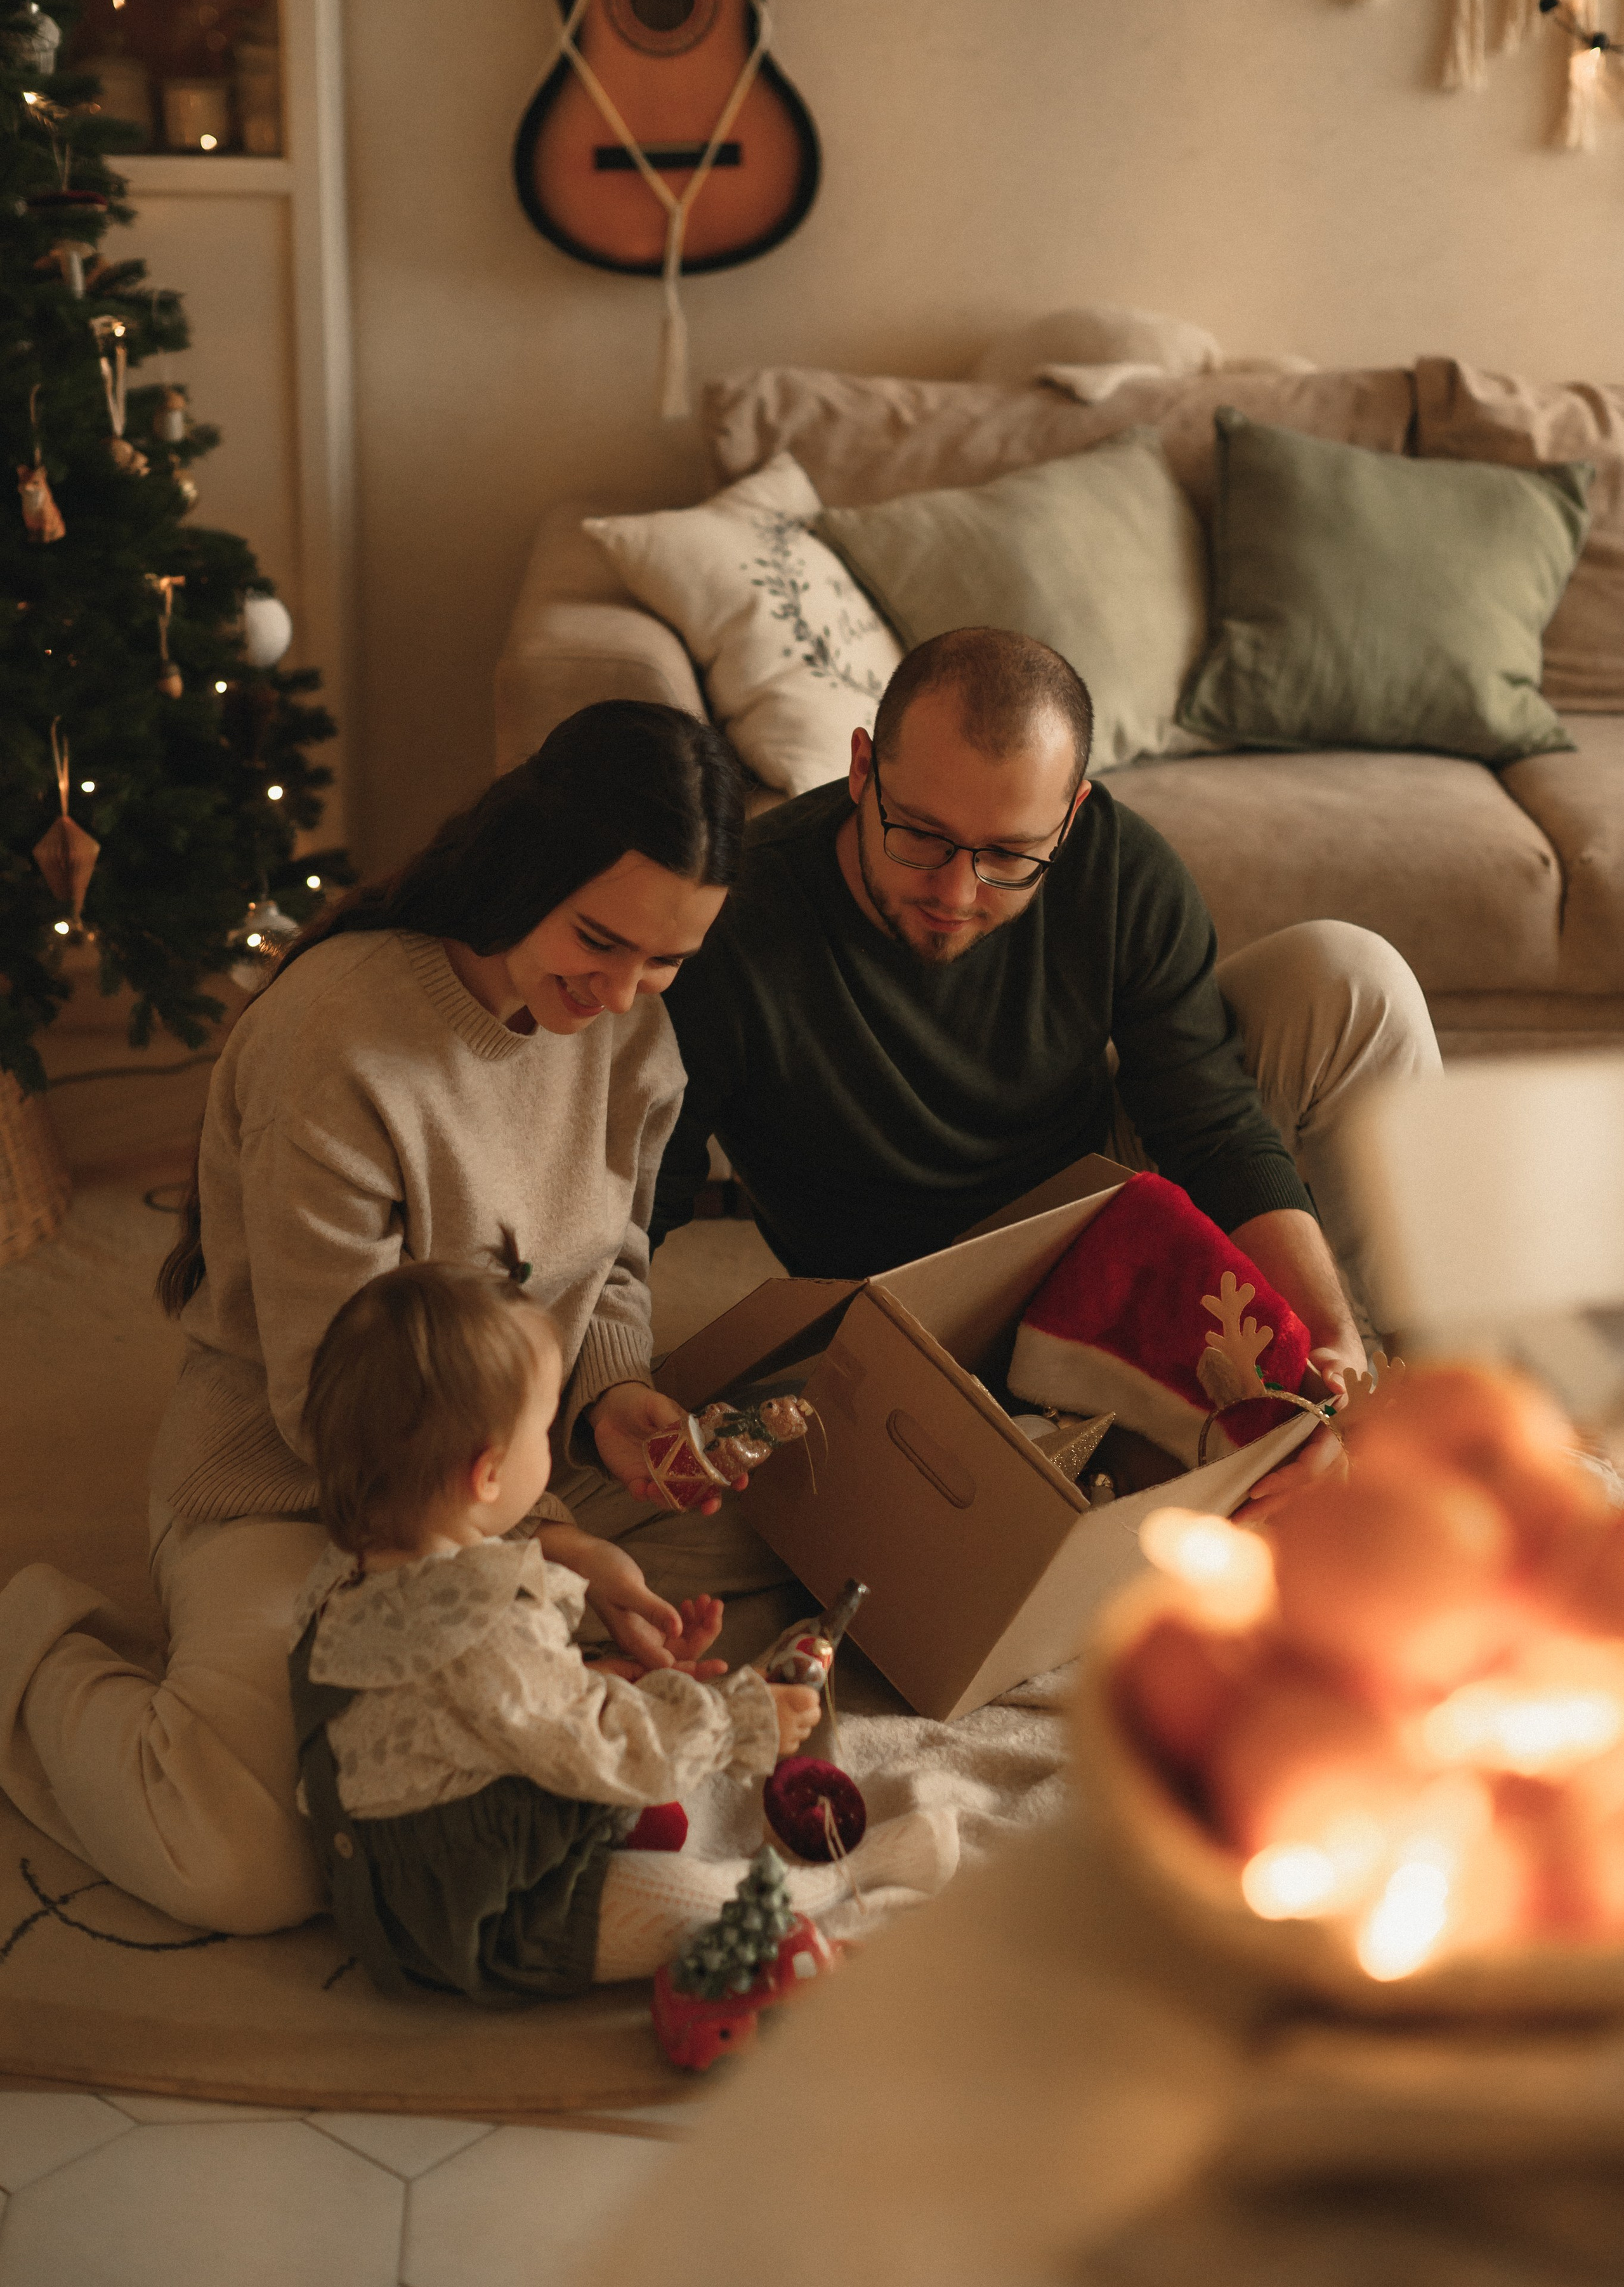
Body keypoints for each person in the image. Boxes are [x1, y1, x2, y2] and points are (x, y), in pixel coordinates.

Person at [0, 702, 763, 1935]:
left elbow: (612, 1260)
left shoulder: (634, 1041)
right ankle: (23, 1651)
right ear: (529, 870)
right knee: (250, 1864)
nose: (623, 993)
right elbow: (344, 1409)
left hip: (498, 1471)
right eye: (599, 940)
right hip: (315, 1476)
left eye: (667, 960)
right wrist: (553, 1549)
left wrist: (617, 1393)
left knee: (747, 1576)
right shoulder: (341, 1037)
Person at [652, 629, 1443, 1410]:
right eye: (922, 836)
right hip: (916, 1300)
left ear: (1069, 818)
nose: (957, 894)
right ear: (863, 769)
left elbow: (1212, 1126)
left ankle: (1452, 1384)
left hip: (1095, 1200)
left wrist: (1330, 1333)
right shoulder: (735, 922)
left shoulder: (1117, 865)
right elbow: (636, 1186)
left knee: (1351, 977)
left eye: (1008, 854)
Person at [291, 1261, 950, 2002]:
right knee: (696, 1905)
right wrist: (740, 1716)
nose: (551, 1454)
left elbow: (459, 1713)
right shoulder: (488, 1626)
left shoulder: (343, 1578)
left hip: (397, 1862)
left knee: (635, 1788)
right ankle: (854, 1873)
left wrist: (597, 1675)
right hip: (479, 1912)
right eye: (542, 1432)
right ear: (487, 1474)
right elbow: (601, 1746)